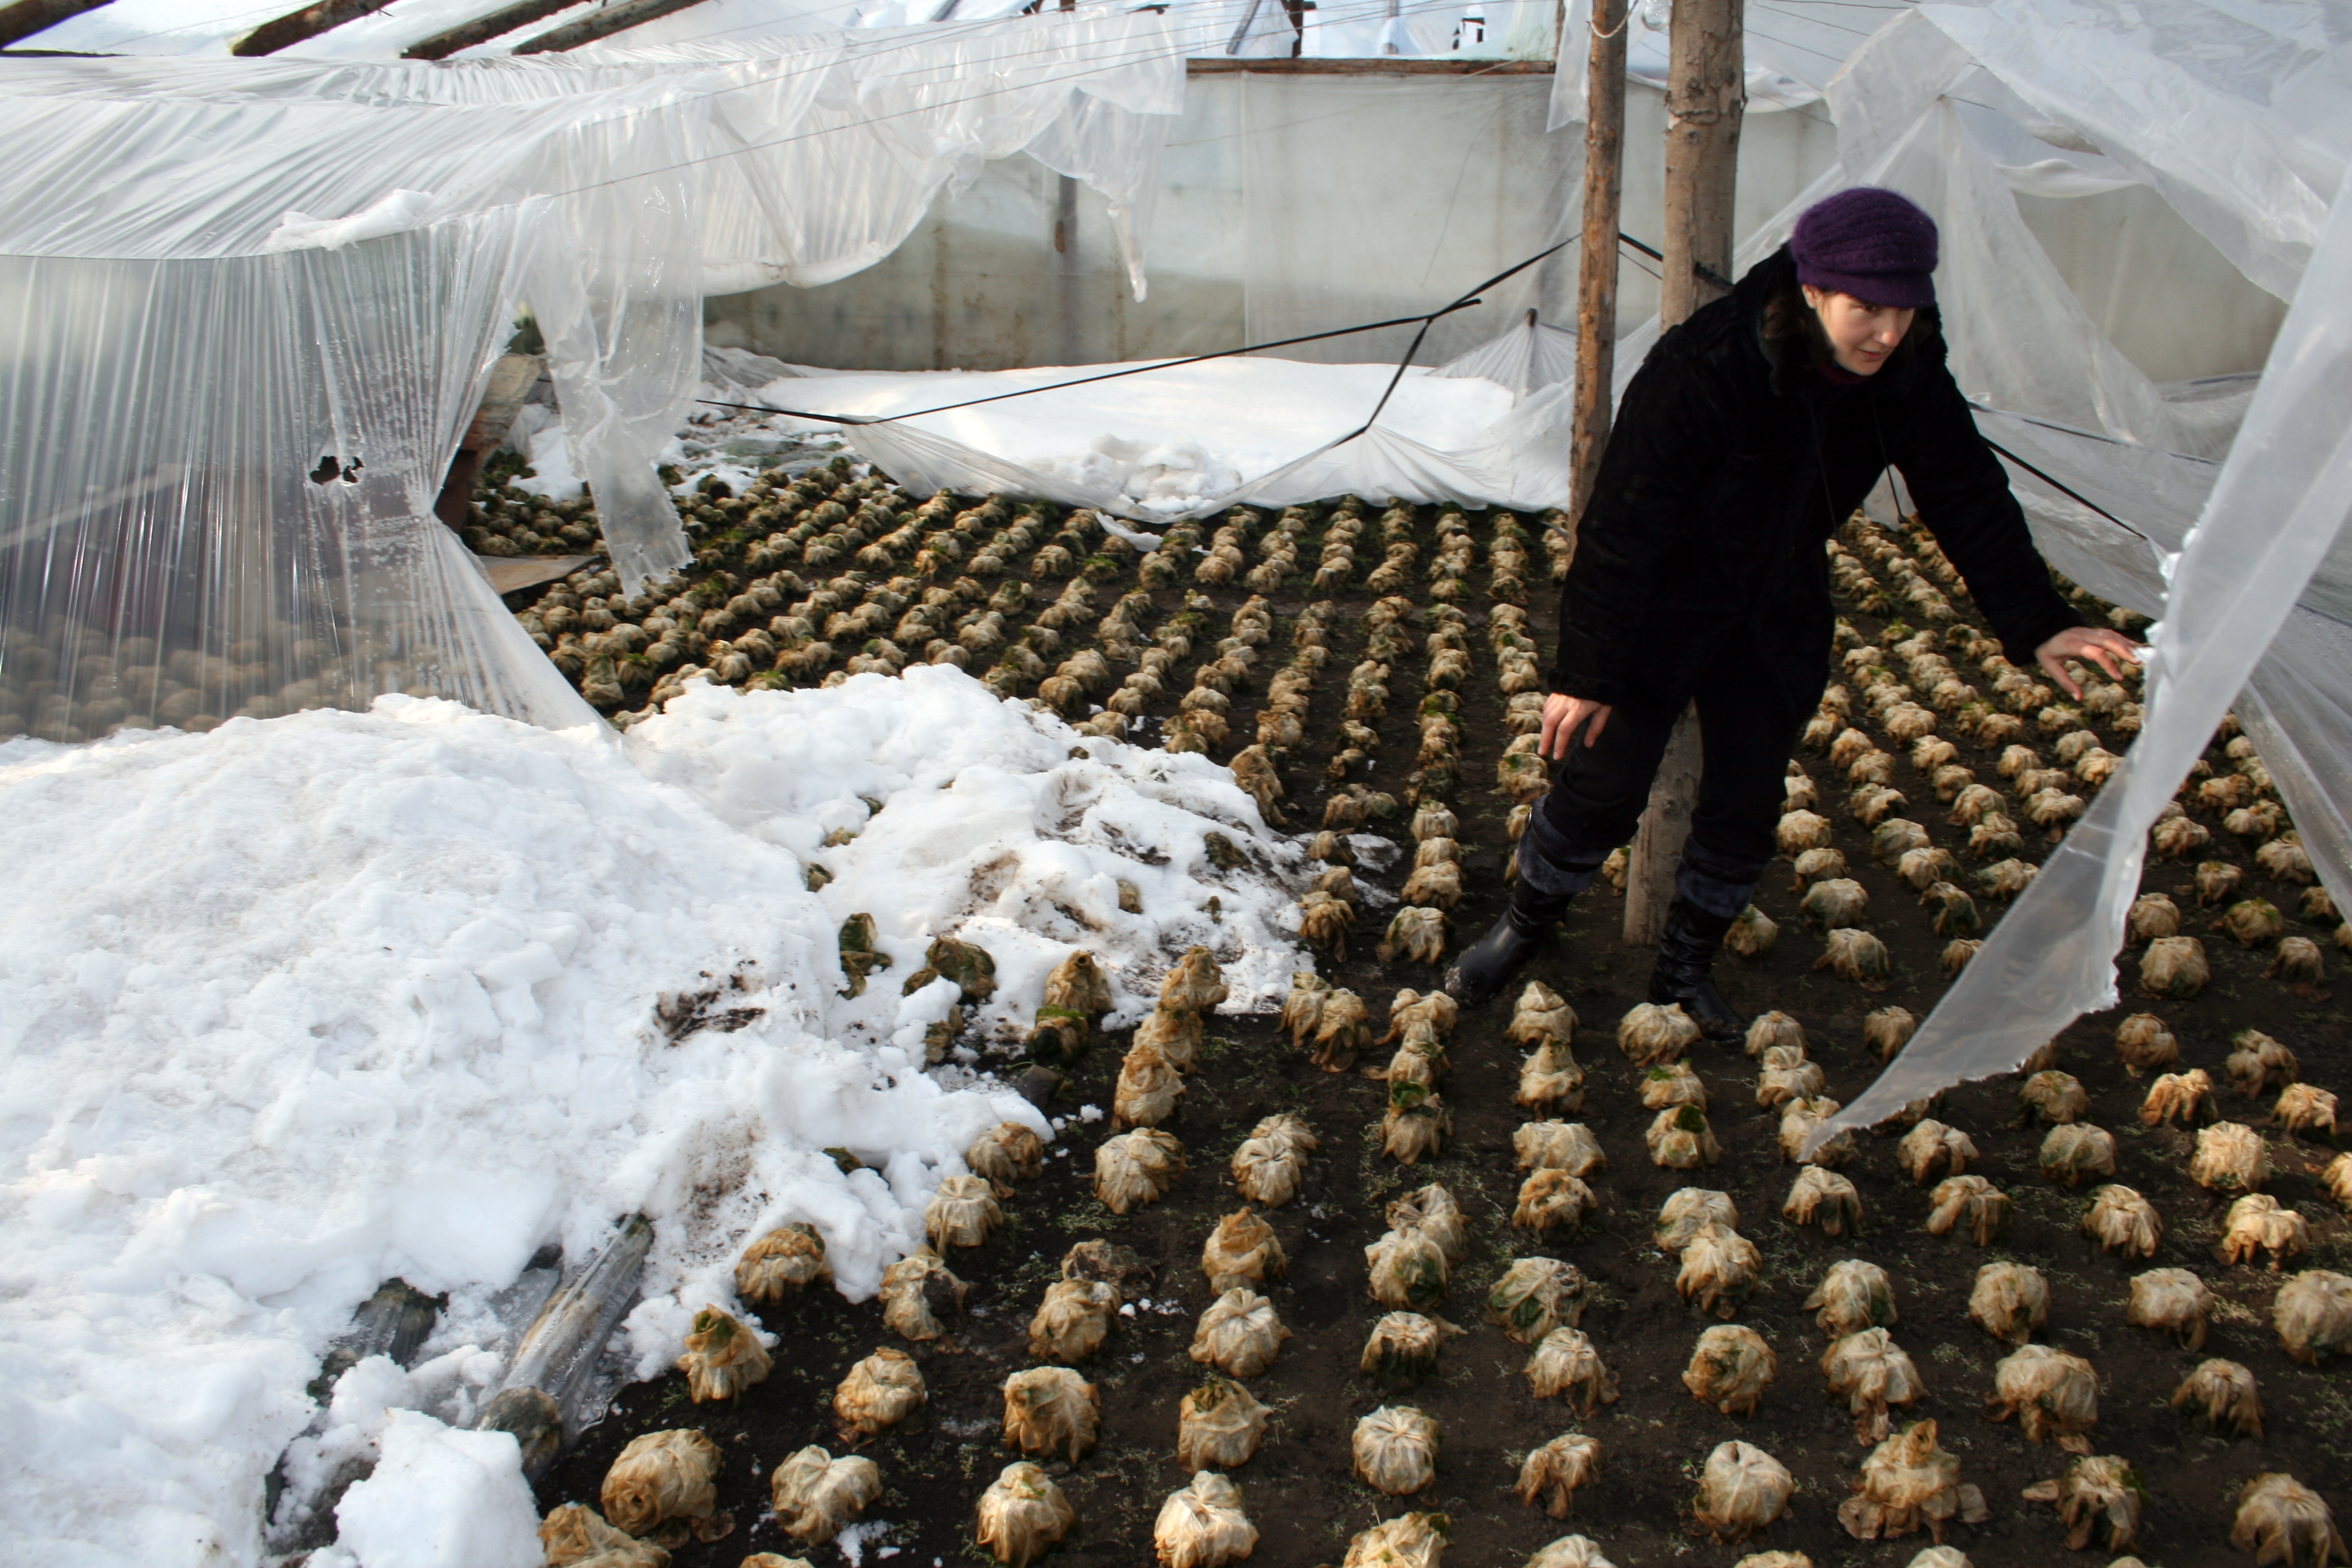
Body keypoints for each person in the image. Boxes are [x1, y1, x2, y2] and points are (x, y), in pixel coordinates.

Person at [1443, 186, 2140, 1033]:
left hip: (1779, 601)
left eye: (1906, 308)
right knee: (1603, 779)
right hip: (1669, 598)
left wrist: (2037, 621)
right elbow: (1624, 524)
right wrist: (1587, 669)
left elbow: (1964, 489)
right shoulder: (1708, 365)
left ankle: (1685, 968)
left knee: (1747, 797)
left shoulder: (1908, 368)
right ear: (1812, 291)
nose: (1886, 331)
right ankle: (1525, 925)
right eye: (1866, 308)